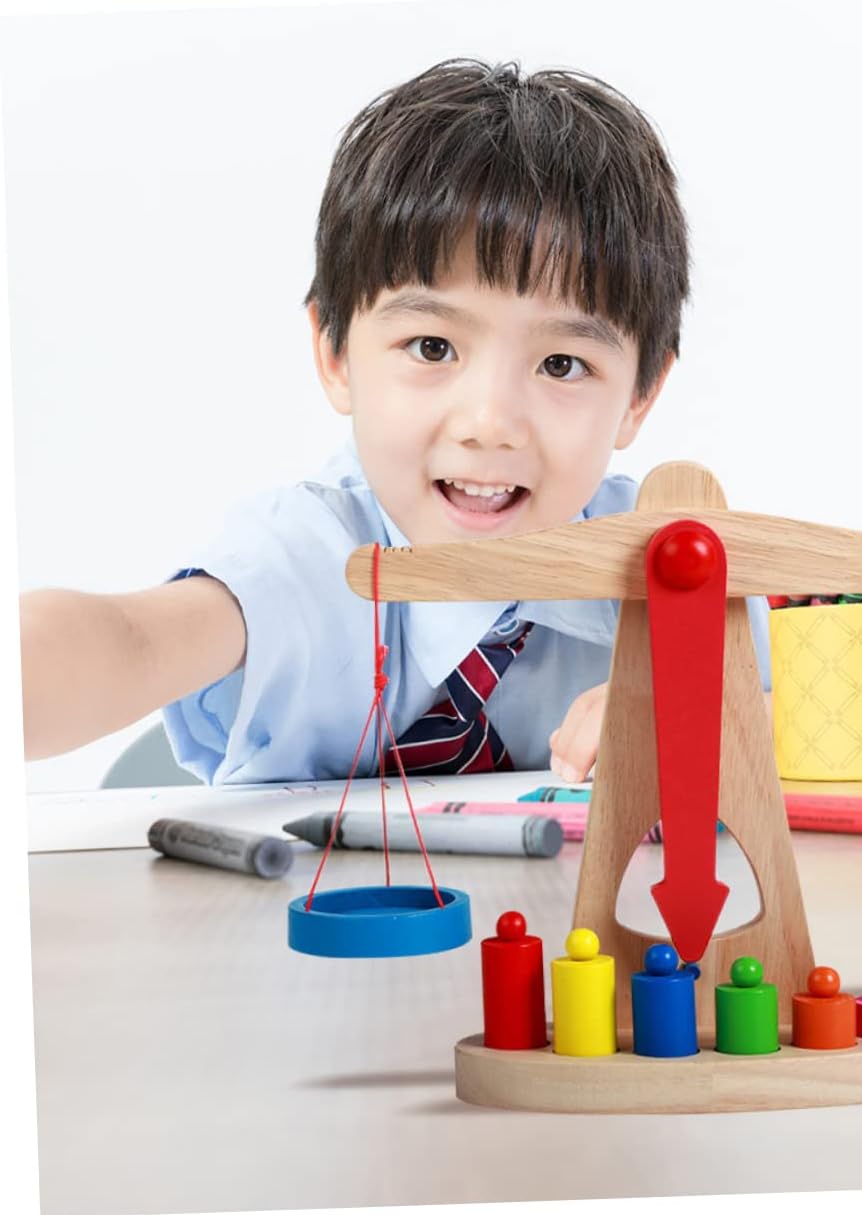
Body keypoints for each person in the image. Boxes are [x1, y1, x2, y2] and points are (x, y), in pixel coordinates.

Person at [19, 58, 771, 785]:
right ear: (336, 354)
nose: (489, 423)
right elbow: (134, 641)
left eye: (561, 364)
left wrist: (728, 720)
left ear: (641, 395)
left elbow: (811, 719)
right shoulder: (307, 559)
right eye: (432, 347)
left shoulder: (679, 569)